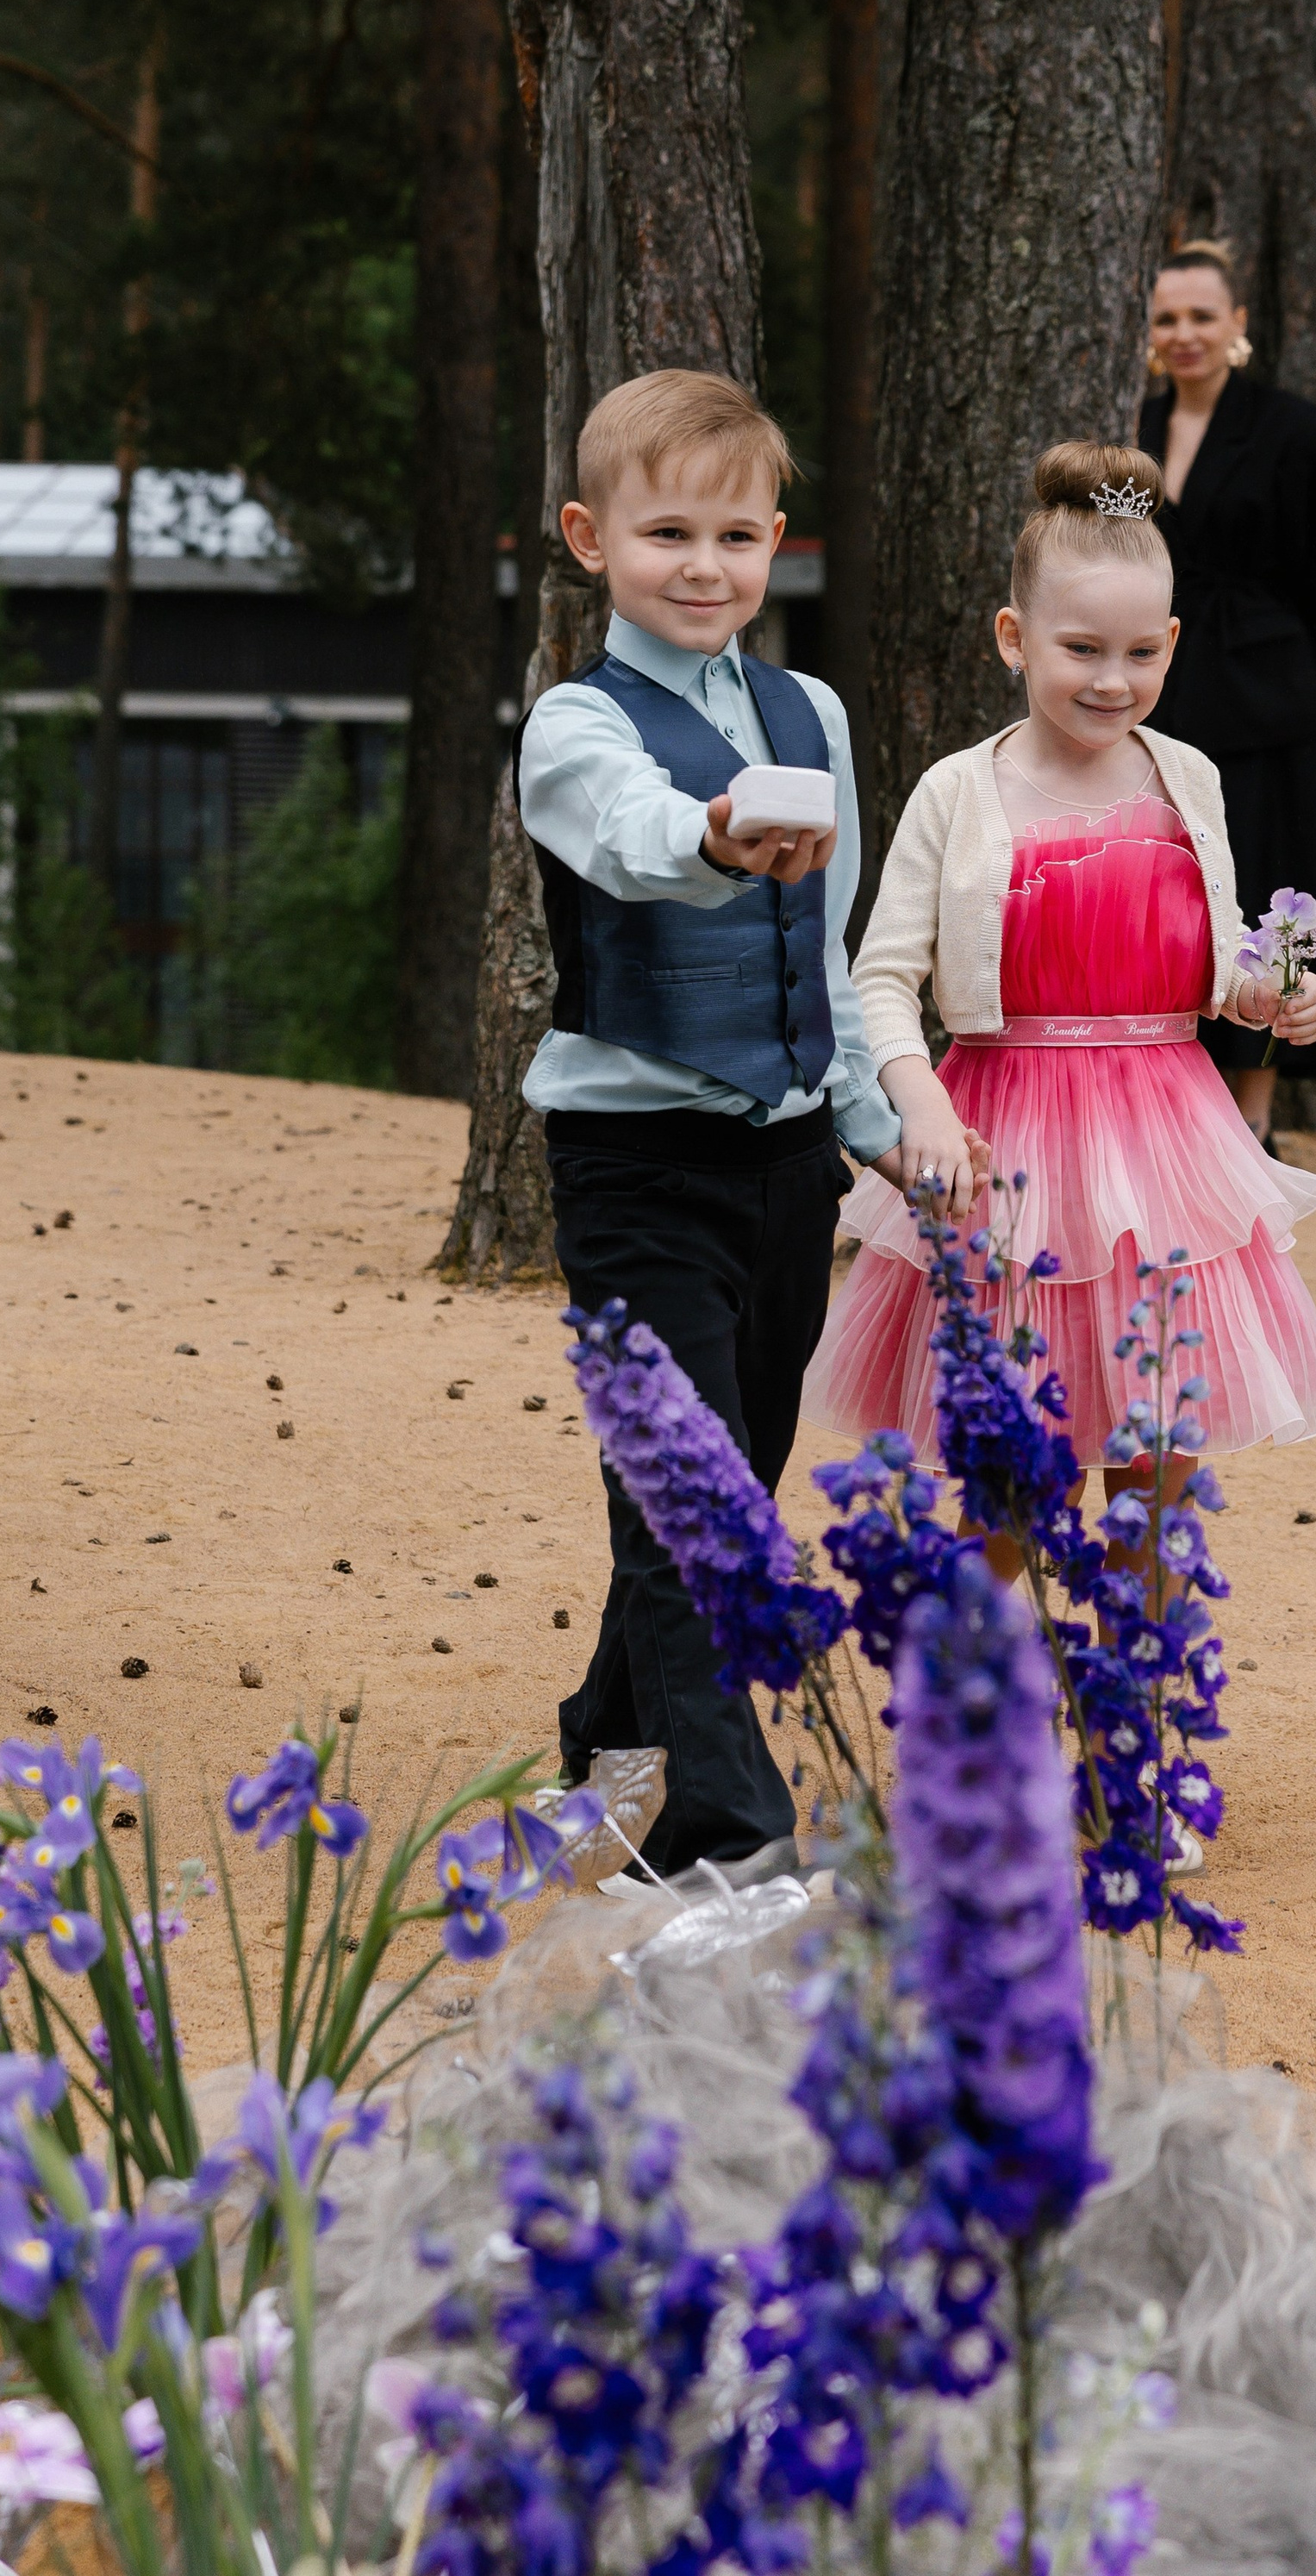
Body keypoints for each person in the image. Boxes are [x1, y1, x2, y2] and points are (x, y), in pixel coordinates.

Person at [518, 368, 938, 1889]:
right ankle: (728, 1840)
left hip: (780, 1163)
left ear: (777, 542)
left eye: (738, 533)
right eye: (666, 531)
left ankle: (609, 1731)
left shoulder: (808, 710)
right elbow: (627, 835)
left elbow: (815, 948)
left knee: (728, 1477)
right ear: (590, 537)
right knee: (686, 1499)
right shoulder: (574, 724)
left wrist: (878, 1122)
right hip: (632, 1165)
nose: (704, 565)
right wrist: (707, 832)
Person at [807, 439, 1316, 1480]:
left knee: (1154, 1456)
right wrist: (914, 1102)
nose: (1114, 680)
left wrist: (1271, 995)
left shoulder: (1189, 778)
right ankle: (992, 1647)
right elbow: (879, 975)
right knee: (1012, 1466)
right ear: (1014, 638)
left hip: (1166, 1140)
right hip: (1004, 1136)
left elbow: (1217, 957)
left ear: (1172, 641)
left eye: (1142, 653)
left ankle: (1140, 1646)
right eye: (1082, 649)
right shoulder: (957, 791)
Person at [1137, 241, 1316, 1143]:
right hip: (1164, 685)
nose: (1184, 333)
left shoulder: (1297, 429)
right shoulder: (1136, 430)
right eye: (1167, 318)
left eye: (1202, 315)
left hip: (1262, 699)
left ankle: (1255, 1117)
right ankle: (1174, 1104)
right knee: (1176, 886)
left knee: (1271, 888)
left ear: (1238, 325)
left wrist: (1270, 668)